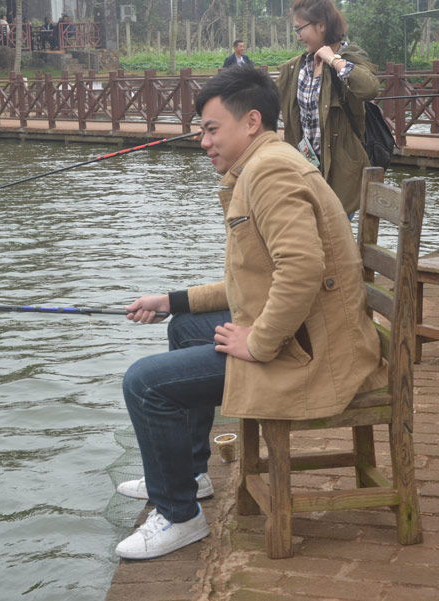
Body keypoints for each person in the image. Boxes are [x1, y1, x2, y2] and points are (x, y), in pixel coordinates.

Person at [113, 67, 386, 560]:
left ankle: (178, 516)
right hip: (313, 334)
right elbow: (253, 282)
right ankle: (188, 476)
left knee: (144, 384)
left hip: (312, 355)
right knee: (185, 328)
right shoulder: (264, 164)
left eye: (211, 129)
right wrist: (172, 301)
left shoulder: (270, 173)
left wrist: (258, 344)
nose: (203, 142)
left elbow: (301, 269)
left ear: (252, 122)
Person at [275, 0, 379, 215]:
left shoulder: (350, 58)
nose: (298, 37)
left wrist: (333, 60)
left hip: (340, 174)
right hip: (305, 173)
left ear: (321, 25)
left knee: (334, 233)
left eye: (299, 29)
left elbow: (369, 88)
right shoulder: (298, 66)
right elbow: (264, 98)